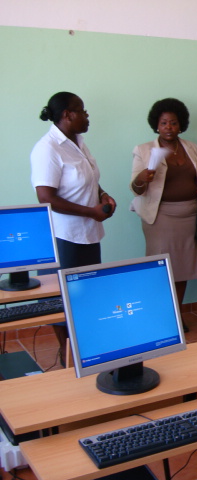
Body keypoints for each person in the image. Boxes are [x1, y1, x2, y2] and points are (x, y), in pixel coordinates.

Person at [30, 91, 116, 361]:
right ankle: (67, 356)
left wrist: (103, 195)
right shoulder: (48, 148)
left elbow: (89, 179)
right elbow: (46, 197)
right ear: (67, 115)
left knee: (87, 296)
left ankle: (85, 352)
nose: (87, 115)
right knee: (61, 300)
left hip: (88, 234)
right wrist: (90, 212)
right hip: (63, 236)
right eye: (83, 110)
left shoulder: (78, 142)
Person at [130, 98, 197, 314]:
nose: (168, 127)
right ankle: (161, 316)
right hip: (160, 218)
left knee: (183, 269)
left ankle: (176, 314)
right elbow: (136, 189)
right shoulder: (144, 150)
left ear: (181, 125)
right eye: (164, 123)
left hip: (190, 216)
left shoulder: (191, 147)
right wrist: (142, 178)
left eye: (173, 123)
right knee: (162, 269)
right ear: (156, 125)